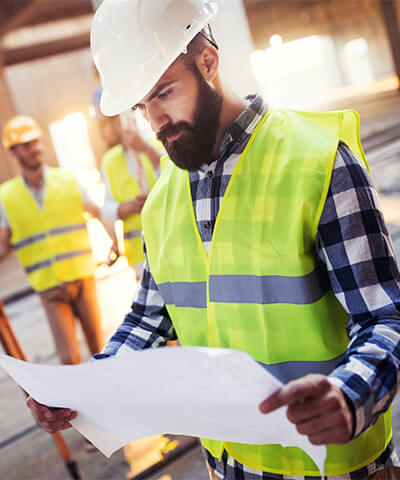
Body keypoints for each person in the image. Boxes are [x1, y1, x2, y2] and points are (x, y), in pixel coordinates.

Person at [27, 1, 400, 479]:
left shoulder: (318, 162)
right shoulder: (163, 199)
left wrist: (351, 394)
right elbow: (147, 318)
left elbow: (385, 317)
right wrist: (82, 389)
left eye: (163, 93)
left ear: (208, 62)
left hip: (333, 467)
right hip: (228, 465)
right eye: (142, 106)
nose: (155, 121)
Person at [0, 115, 104, 365]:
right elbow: (3, 244)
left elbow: (97, 213)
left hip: (82, 278)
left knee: (100, 350)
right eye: (26, 145)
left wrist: (115, 241)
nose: (34, 148)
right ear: (14, 153)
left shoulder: (67, 179)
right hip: (49, 288)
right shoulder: (6, 197)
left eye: (35, 142)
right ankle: (78, 404)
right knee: (69, 358)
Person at [92, 86, 162, 279]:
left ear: (120, 119)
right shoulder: (110, 161)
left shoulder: (157, 145)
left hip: (169, 247)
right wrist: (126, 208)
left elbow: (176, 181)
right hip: (139, 261)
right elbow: (105, 209)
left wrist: (146, 150)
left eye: (103, 125)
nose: (102, 132)